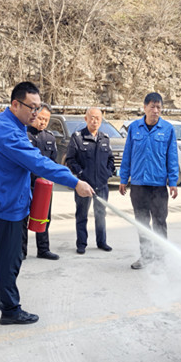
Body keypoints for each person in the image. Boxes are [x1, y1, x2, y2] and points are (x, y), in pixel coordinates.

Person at [0, 82, 94, 325]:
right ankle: (10, 310)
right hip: (6, 205)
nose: (36, 113)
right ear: (15, 104)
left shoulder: (3, 122)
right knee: (9, 260)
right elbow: (39, 163)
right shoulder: (8, 133)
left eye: (38, 107)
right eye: (31, 107)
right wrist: (75, 182)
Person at [118, 93, 178, 270]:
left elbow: (172, 157)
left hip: (158, 186)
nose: (156, 110)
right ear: (144, 107)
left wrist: (173, 182)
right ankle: (146, 256)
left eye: (159, 107)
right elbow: (127, 155)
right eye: (152, 106)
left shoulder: (167, 129)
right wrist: (123, 178)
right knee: (142, 223)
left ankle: (160, 258)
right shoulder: (134, 128)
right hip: (138, 185)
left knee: (160, 223)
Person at [65, 107, 116, 254]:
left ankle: (102, 242)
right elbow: (70, 159)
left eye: (98, 118)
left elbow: (111, 159)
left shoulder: (104, 138)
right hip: (84, 185)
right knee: (82, 214)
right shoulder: (78, 137)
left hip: (102, 184)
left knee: (101, 214)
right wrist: (81, 174)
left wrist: (107, 173)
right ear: (86, 119)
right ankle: (81, 244)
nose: (95, 121)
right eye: (92, 117)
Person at [21, 103, 59, 261]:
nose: (43, 122)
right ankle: (21, 251)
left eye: (46, 120)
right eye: (41, 118)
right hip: (26, 183)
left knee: (44, 217)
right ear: (34, 115)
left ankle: (43, 249)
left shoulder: (49, 137)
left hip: (44, 186)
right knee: (22, 218)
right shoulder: (24, 134)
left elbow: (53, 161)